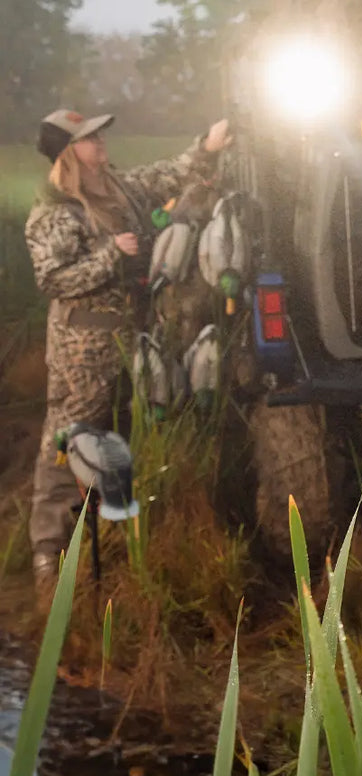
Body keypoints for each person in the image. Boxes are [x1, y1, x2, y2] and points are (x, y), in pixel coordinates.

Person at [26, 109, 231, 593]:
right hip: (84, 348)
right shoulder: (54, 210)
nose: (100, 143)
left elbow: (165, 174)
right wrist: (112, 254)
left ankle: (110, 541)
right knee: (68, 439)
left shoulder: (121, 188)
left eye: (100, 135)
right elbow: (53, 280)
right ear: (67, 152)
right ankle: (48, 556)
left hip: (134, 340)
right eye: (88, 139)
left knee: (121, 437)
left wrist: (208, 144)